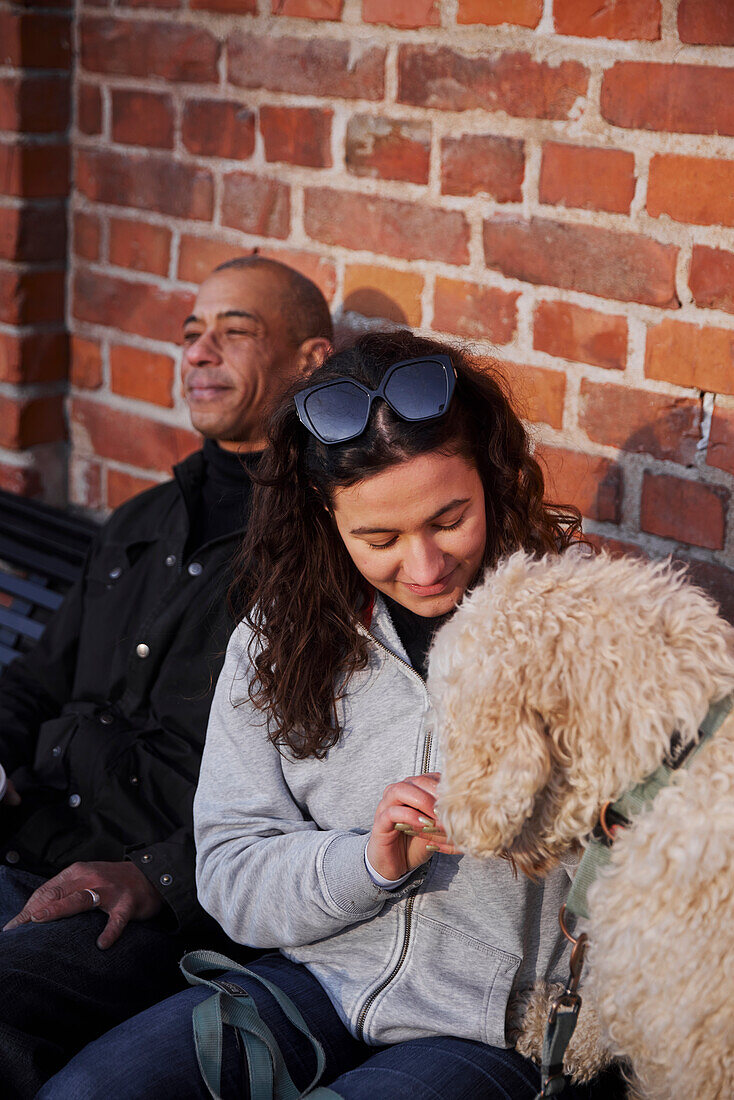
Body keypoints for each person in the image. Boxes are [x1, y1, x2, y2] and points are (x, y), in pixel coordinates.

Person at [42, 331, 619, 1099]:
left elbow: (654, 847)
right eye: (377, 538)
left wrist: (546, 810)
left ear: (491, 471)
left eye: (449, 520)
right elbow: (228, 867)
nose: (423, 566)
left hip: (486, 1027)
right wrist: (370, 862)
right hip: (306, 983)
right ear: (324, 509)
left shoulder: (587, 622)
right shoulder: (278, 635)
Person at [0, 256, 333, 1096]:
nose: (200, 352)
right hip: (31, 839)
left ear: (311, 362)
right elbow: (37, 681)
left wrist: (157, 877)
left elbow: (323, 790)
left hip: (147, 906)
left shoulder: (328, 548)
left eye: (235, 331)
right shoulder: (142, 521)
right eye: (191, 333)